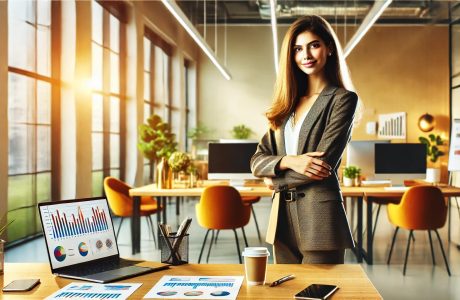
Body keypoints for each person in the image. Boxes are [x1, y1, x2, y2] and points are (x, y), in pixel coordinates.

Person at [250, 15, 358, 264]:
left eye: (314, 45)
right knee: (286, 291)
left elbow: (320, 166)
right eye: (298, 48)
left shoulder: (342, 99)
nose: (306, 55)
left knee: (316, 293)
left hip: (319, 217)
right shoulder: (285, 104)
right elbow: (257, 160)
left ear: (329, 47)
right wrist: (289, 160)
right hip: (281, 220)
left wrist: (274, 178)